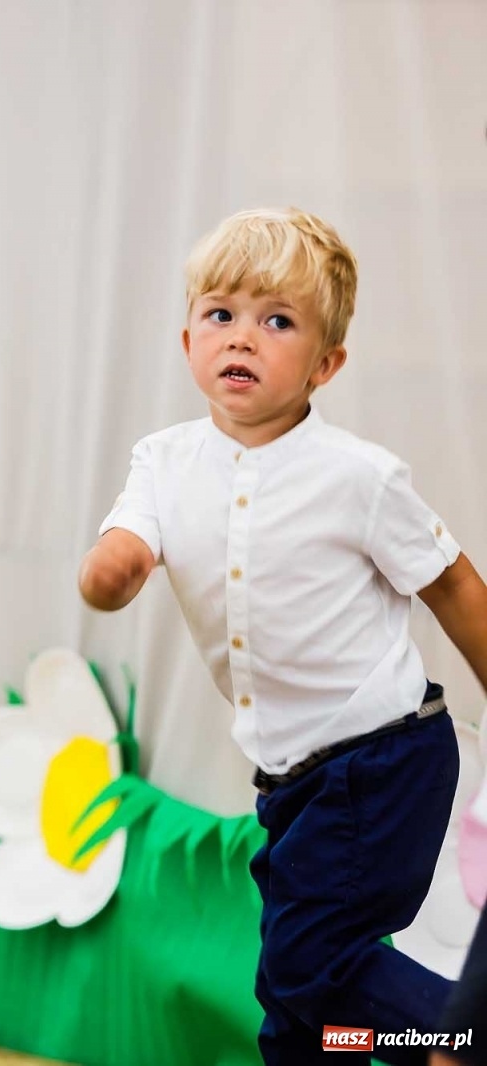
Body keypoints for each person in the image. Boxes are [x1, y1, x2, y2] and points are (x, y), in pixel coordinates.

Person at [80, 207, 487, 1065]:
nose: (243, 338)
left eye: (279, 322)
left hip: (384, 764)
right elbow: (128, 542)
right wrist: (111, 570)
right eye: (221, 314)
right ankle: (423, 1043)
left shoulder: (360, 477)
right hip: (294, 784)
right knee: (297, 1009)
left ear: (325, 364)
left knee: (307, 965)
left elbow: (451, 582)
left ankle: (460, 1034)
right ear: (187, 336)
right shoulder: (164, 460)